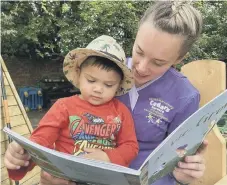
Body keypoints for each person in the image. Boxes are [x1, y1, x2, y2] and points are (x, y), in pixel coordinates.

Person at [8, 1, 209, 185]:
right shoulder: (106, 70)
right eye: (139, 51)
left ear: (180, 58)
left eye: (158, 62)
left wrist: (183, 174)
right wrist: (24, 158)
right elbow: (48, 137)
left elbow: (178, 159)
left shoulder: (185, 97)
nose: (141, 67)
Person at [4, 35, 139, 181]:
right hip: (65, 179)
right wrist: (24, 156)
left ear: (118, 86)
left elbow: (130, 146)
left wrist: (108, 156)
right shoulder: (64, 106)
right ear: (79, 74)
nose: (98, 89)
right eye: (91, 80)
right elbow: (42, 138)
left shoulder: (121, 111)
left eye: (108, 85)